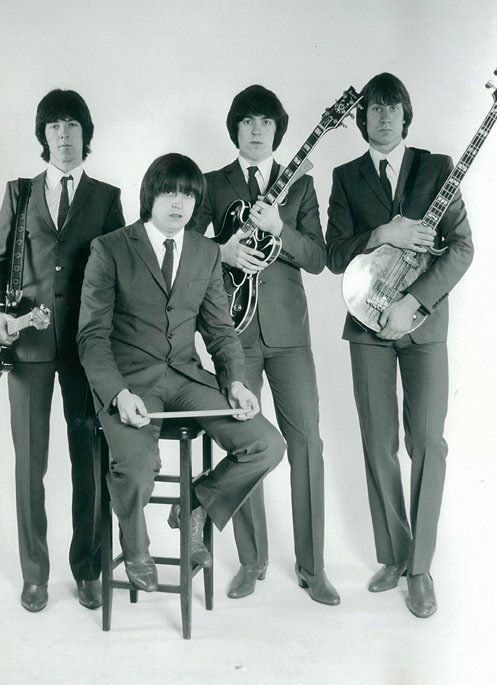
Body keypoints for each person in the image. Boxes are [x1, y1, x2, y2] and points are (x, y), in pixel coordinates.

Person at [77, 153, 285, 592]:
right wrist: (118, 394)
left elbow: (220, 330)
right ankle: (136, 547)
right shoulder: (110, 248)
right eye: (170, 192)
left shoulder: (206, 251)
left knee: (267, 444)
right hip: (131, 384)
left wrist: (235, 382)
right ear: (150, 194)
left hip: (188, 378)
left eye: (188, 195)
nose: (179, 203)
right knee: (139, 466)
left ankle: (196, 504)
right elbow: (91, 338)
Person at [326, 72, 473, 617]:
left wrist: (416, 302)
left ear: (405, 116)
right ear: (362, 118)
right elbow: (334, 254)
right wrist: (382, 234)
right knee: (377, 442)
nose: (383, 117)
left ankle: (420, 567)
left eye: (392, 108)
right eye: (374, 108)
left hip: (423, 327)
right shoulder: (345, 177)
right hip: (366, 325)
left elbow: (462, 247)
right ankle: (393, 554)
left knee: (428, 442)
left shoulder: (437, 168)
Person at [195, 85, 339, 605]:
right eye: (247, 121)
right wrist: (223, 251)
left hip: (289, 337)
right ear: (235, 128)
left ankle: (313, 567)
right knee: (246, 440)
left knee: (307, 443)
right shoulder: (213, 183)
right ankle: (251, 561)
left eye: (266, 122)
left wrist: (280, 229)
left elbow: (319, 257)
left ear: (278, 130)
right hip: (234, 334)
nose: (256, 130)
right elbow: (186, 246)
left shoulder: (300, 183)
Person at [0, 89, 124, 612]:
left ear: (85, 134)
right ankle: (35, 574)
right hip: (27, 344)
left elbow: (120, 276)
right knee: (29, 465)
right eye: (54, 125)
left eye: (72, 125)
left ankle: (88, 568)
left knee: (90, 460)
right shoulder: (18, 192)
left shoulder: (107, 197)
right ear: (43, 135)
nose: (64, 134)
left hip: (86, 347)